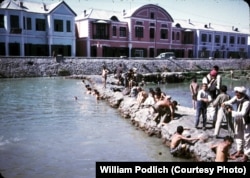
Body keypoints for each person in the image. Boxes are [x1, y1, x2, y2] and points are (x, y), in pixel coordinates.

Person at [222, 86, 250, 162]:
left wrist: (231, 111)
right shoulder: (237, 97)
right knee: (238, 134)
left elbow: (243, 113)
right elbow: (230, 101)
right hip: (238, 118)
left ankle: (246, 154)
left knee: (247, 137)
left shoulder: (247, 102)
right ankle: (239, 150)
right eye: (236, 93)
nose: (236, 94)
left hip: (246, 119)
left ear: (242, 93)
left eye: (238, 93)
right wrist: (224, 103)